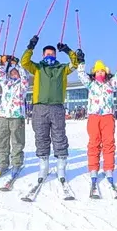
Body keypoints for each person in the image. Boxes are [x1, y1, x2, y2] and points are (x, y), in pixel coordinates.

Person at [21, 35, 78, 182]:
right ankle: (43, 166)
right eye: (47, 54)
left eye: (52, 54)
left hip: (57, 107)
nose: (50, 56)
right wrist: (30, 47)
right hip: (39, 107)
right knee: (41, 136)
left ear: (56, 55)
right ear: (43, 55)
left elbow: (75, 63)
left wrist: (68, 50)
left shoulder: (62, 68)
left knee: (59, 136)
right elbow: (24, 62)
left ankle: (61, 167)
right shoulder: (38, 67)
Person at [76, 48, 117, 184]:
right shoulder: (91, 85)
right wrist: (81, 61)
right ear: (94, 73)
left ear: (106, 72)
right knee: (94, 143)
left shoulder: (111, 84)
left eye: (102, 71)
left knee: (109, 143)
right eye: (98, 71)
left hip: (107, 117)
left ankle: (108, 168)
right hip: (94, 117)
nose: (100, 73)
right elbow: (81, 75)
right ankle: (93, 168)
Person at [0, 55, 29, 177]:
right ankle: (2, 164)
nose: (14, 74)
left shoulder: (23, 85)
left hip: (17, 116)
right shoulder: (5, 84)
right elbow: (0, 75)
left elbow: (24, 76)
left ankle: (16, 164)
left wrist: (17, 64)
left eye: (16, 73)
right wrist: (0, 64)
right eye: (12, 73)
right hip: (3, 115)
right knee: (2, 141)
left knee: (17, 141)